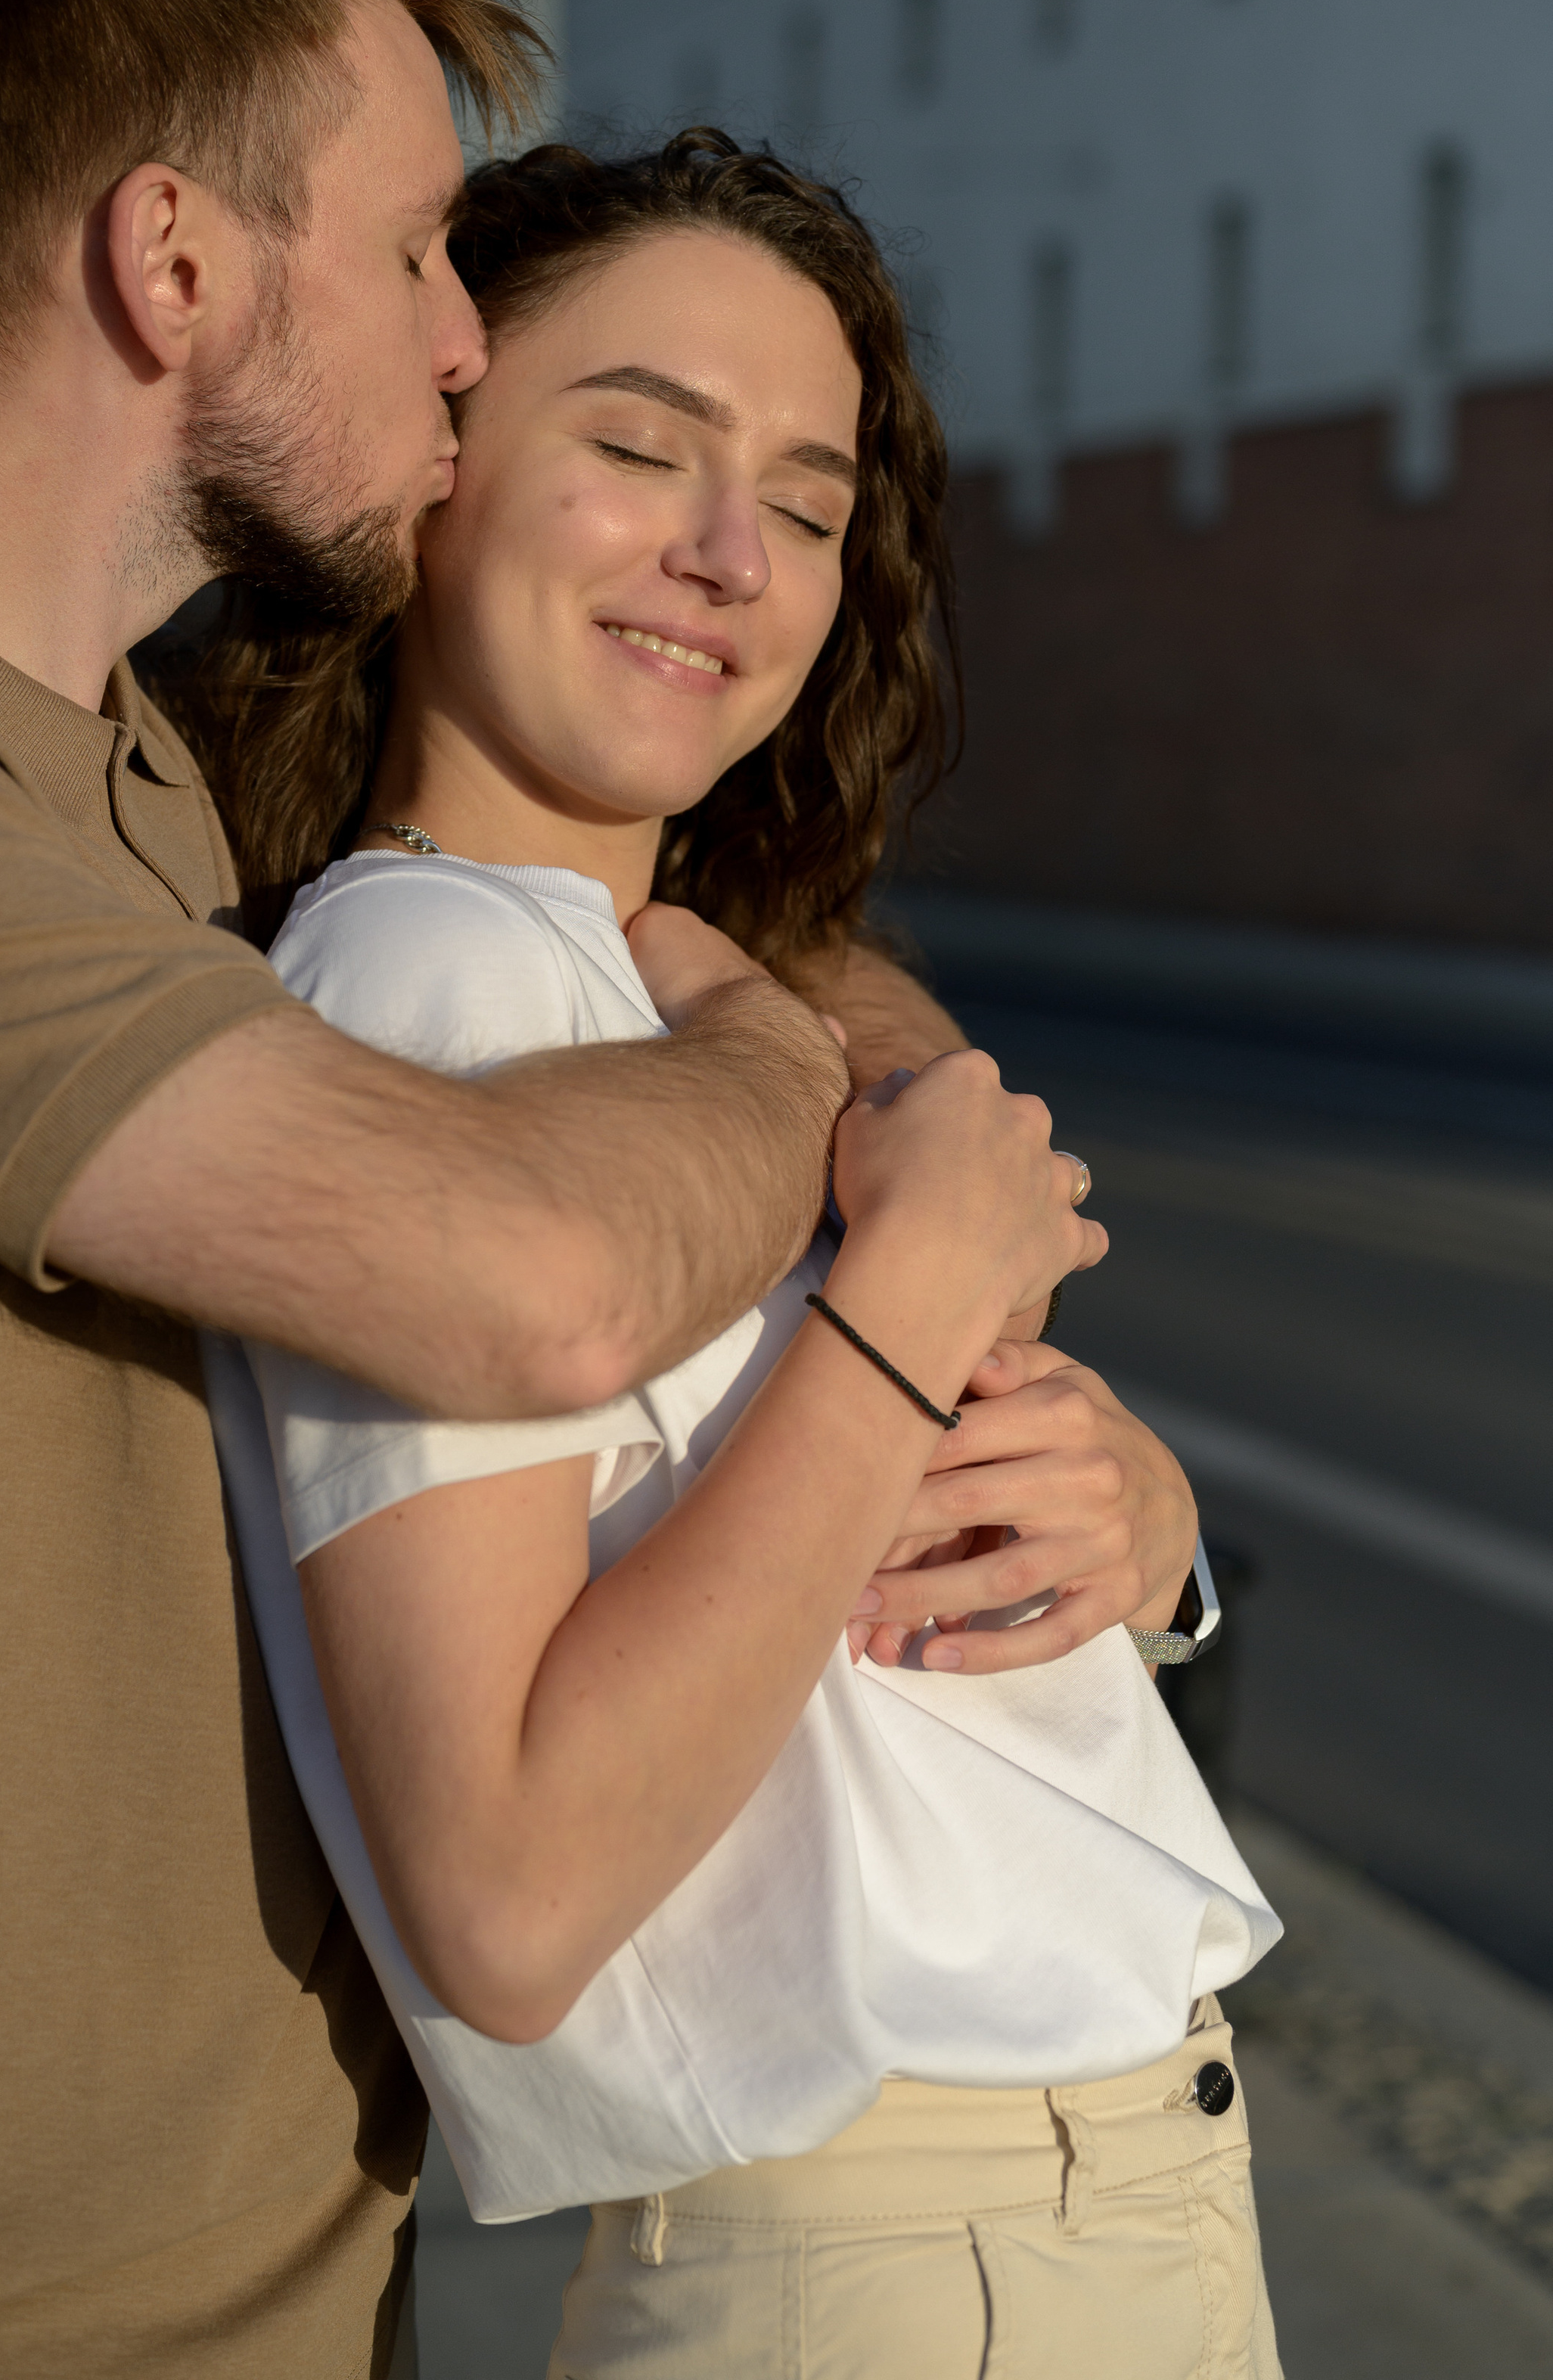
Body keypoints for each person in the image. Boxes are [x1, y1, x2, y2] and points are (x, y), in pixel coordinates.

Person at [0, 0, 1188, 2380]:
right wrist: (873, 1174)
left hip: (291, 2302)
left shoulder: (116, 795)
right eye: (423, 251)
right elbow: (526, 1268)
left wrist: (1110, 1458)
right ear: (173, 263)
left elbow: (623, 953)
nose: (461, 342)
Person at [195, 135, 1281, 2379]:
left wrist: (1143, 1533)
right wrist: (891, 1310)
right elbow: (504, 1892)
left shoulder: (666, 986)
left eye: (803, 502)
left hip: (1043, 2231)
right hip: (913, 2268)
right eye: (637, 448)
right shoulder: (425, 988)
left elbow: (839, 1629)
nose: (729, 555)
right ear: (441, 443)